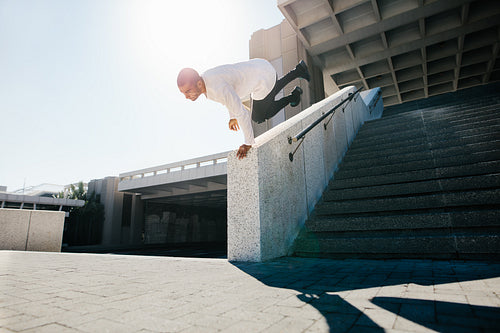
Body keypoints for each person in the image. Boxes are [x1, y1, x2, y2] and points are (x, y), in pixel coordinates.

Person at [177, 58, 310, 159]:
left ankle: (294, 96)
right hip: (261, 68)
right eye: (183, 93)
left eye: (188, 91)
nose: (187, 97)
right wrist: (232, 117)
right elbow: (229, 98)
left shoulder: (216, 87)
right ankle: (299, 70)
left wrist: (248, 143)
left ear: (199, 84)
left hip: (262, 77)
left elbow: (241, 112)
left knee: (259, 117)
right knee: (268, 95)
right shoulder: (206, 80)